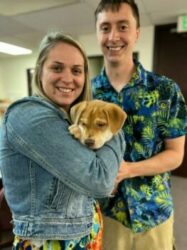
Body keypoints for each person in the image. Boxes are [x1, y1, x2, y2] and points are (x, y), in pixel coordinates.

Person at [0, 31, 126, 250]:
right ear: (40, 71)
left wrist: (107, 124)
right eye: (57, 68)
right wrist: (114, 130)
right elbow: (102, 180)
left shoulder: (69, 117)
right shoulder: (29, 115)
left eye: (77, 70)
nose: (68, 78)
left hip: (86, 229)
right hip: (50, 241)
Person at [92, 1, 187, 249]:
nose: (113, 36)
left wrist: (129, 170)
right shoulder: (86, 95)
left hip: (155, 212)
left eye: (122, 26)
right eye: (105, 28)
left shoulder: (165, 90)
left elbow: (175, 155)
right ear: (97, 33)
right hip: (104, 215)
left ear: (137, 33)